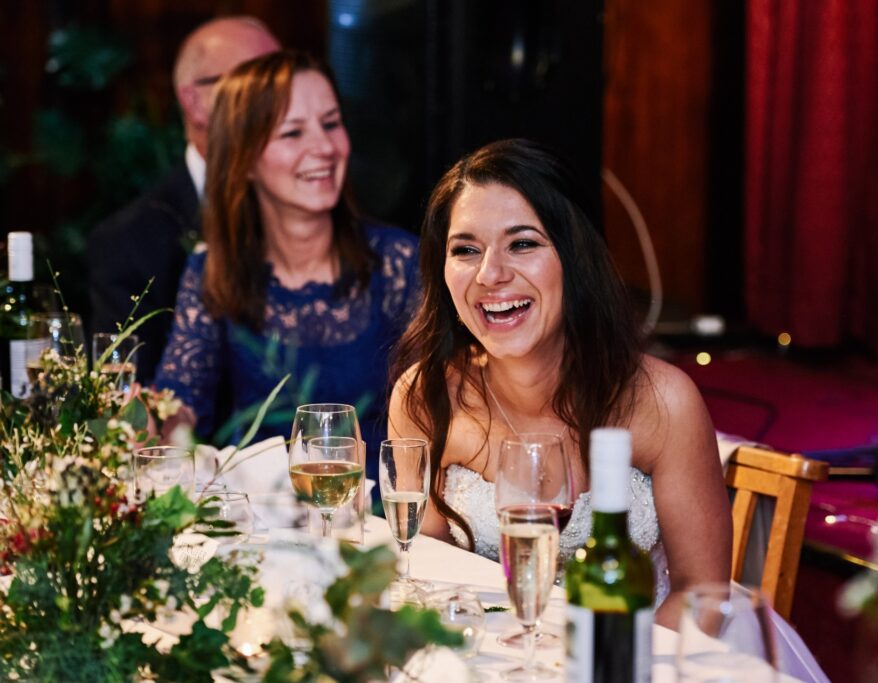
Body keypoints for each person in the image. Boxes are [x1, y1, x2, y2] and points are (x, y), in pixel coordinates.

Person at [388, 138, 730, 629]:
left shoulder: (663, 402)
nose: (491, 274)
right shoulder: (425, 397)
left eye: (522, 243)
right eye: (466, 249)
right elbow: (424, 573)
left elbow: (702, 594)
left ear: (575, 257)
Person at [155, 51, 420, 482]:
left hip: (379, 523)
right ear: (243, 160)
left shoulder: (399, 264)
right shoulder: (213, 270)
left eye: (331, 124)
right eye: (293, 132)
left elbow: (446, 412)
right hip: (264, 524)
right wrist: (151, 419)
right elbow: (181, 403)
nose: (324, 147)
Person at [88, 16, 281, 384]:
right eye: (252, 83)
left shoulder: (321, 211)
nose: (275, 102)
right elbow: (130, 402)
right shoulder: (128, 242)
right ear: (194, 102)